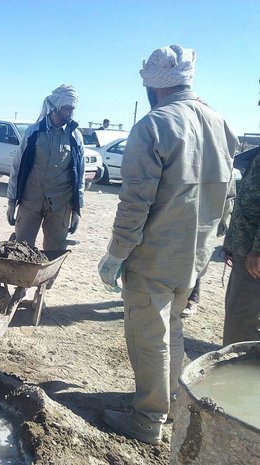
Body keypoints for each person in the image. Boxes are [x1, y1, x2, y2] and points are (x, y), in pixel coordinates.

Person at [97, 45, 238, 444]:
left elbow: (135, 202)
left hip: (154, 254)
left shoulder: (154, 125)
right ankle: (172, 401)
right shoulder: (221, 123)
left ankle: (147, 419)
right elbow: (229, 195)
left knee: (149, 336)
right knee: (172, 328)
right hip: (194, 255)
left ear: (152, 86)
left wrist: (116, 254)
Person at [6, 84, 84, 252]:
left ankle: (46, 279)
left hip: (60, 206)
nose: (70, 112)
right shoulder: (33, 132)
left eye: (72, 109)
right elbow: (17, 168)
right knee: (21, 250)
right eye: (67, 108)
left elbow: (80, 175)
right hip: (30, 202)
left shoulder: (75, 137)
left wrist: (77, 209)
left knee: (54, 252)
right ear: (55, 107)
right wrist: (12, 202)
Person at [222, 146, 260, 345]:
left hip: (252, 259)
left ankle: (237, 369)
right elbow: (245, 202)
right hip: (244, 252)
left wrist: (258, 251)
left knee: (241, 321)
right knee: (237, 313)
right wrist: (230, 245)